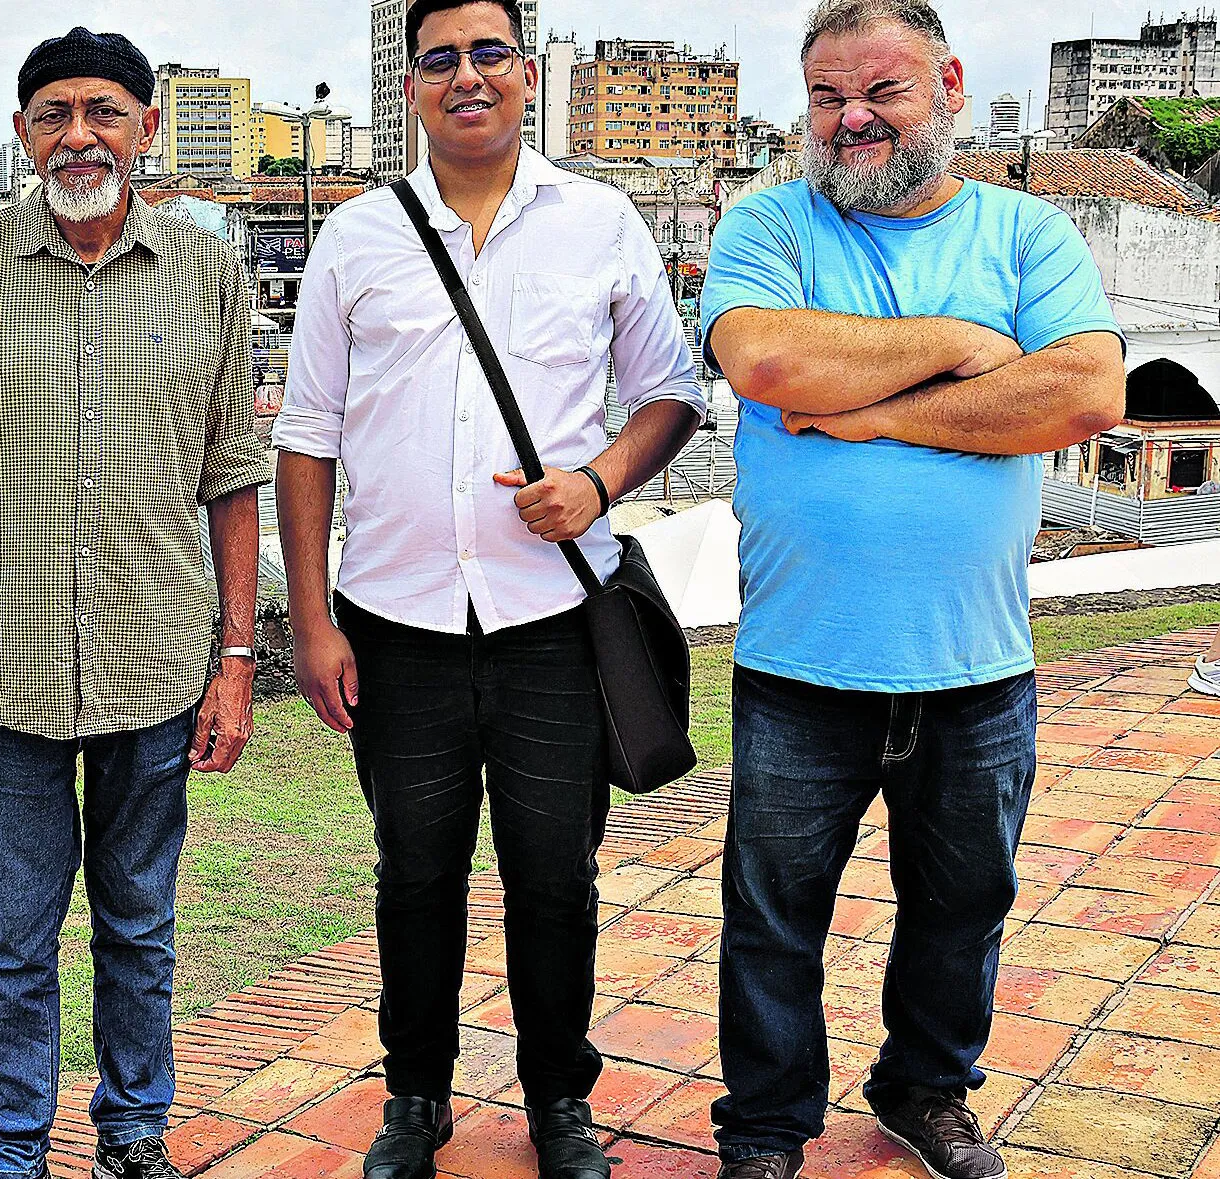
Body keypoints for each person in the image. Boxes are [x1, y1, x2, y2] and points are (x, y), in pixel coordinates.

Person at [272, 1, 706, 1176]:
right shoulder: (356, 237)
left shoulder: (600, 223)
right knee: (414, 872)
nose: (465, 76)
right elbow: (305, 438)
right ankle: (415, 1097)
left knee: (552, 875)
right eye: (438, 60)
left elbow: (669, 391)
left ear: (524, 72)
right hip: (395, 623)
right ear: (409, 86)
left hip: (551, 624)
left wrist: (598, 480)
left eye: (487, 54)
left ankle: (557, 1104)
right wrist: (309, 620)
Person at [699, 3, 1126, 1177]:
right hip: (799, 660)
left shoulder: (1029, 232)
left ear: (942, 82)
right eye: (826, 96)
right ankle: (766, 1123)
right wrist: (960, 342)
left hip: (975, 662)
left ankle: (924, 1089)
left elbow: (1084, 394)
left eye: (878, 90)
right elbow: (770, 364)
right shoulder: (767, 223)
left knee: (960, 905)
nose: (850, 118)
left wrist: (870, 410)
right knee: (771, 917)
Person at [0, 27, 267, 1179]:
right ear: (20, 135)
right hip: (2, 664)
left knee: (138, 927)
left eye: (104, 110)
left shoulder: (206, 271)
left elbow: (232, 474)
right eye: (52, 114)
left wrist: (237, 657)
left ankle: (131, 1135)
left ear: (145, 127)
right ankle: (12, 1151)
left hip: (156, 658)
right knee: (10, 940)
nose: (78, 135)